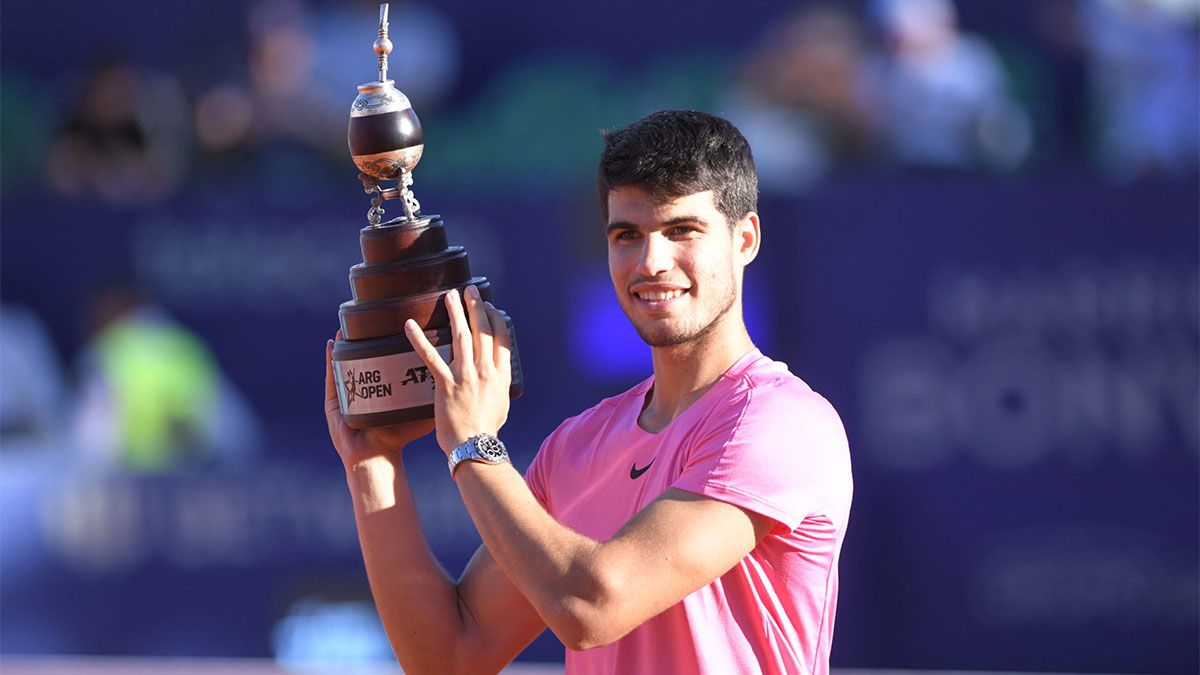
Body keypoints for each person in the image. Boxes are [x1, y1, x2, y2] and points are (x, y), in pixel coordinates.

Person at [324, 110, 853, 674]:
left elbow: (592, 605)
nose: (651, 262)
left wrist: (474, 444)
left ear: (744, 239)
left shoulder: (782, 422)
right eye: (627, 235)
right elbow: (447, 657)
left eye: (682, 230)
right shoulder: (577, 447)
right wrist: (372, 462)